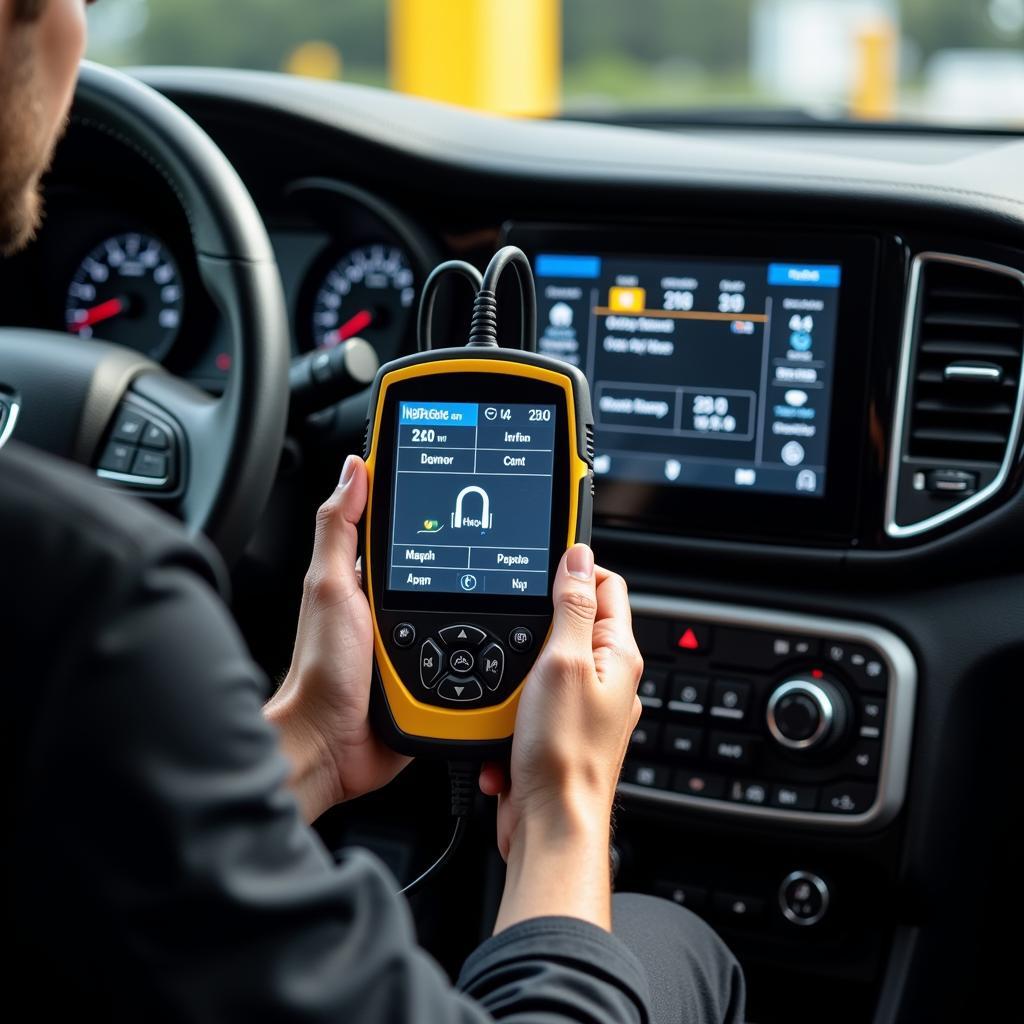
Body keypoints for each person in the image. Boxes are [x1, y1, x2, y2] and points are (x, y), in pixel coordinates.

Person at [3, 2, 747, 1022]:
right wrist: (563, 812)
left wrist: (310, 739)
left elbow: (92, 864)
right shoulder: (88, 598)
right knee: (678, 941)